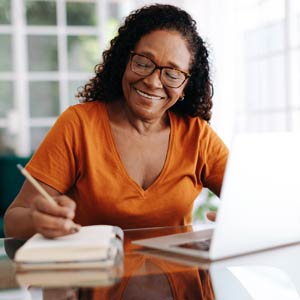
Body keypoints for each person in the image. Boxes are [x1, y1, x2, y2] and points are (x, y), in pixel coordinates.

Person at [4, 4, 228, 239]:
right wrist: (37, 220)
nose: (153, 82)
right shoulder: (79, 125)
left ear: (185, 86)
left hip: (179, 275)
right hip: (96, 273)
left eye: (172, 74)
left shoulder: (197, 136)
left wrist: (238, 219)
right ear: (124, 61)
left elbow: (254, 204)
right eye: (143, 62)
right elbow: (14, 220)